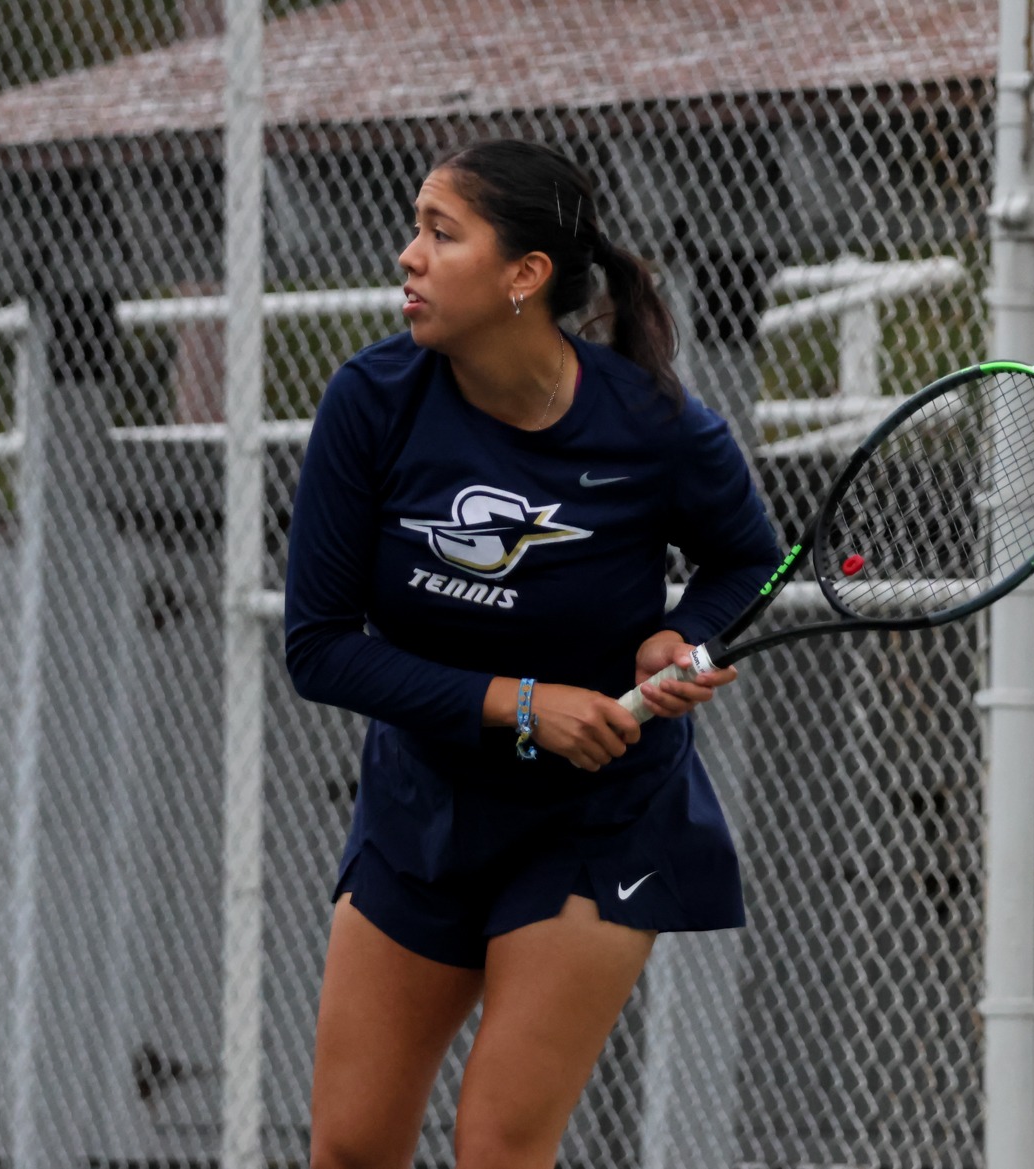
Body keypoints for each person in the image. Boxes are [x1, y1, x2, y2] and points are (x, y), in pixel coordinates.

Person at [283, 138, 781, 1169]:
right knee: (349, 1146)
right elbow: (319, 648)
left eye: (439, 232)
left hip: (595, 818)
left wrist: (678, 633)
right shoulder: (369, 401)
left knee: (500, 1147)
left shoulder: (655, 426)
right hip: (423, 805)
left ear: (524, 276)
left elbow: (749, 564)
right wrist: (517, 702)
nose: (407, 257)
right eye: (413, 226)